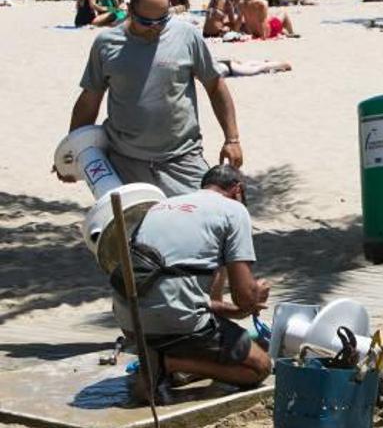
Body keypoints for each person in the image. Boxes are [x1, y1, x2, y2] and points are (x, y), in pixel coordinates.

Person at [57, 0, 244, 196]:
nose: (154, 28)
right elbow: (90, 99)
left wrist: (232, 139)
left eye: (161, 20)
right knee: (134, 229)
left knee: (201, 218)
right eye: (145, 22)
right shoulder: (106, 43)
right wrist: (71, 152)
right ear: (129, 10)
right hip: (125, 162)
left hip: (183, 159)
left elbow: (215, 85)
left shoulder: (187, 36)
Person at [112, 165, 272, 402]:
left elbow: (175, 284)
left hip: (129, 318)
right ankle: (170, 363)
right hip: (177, 320)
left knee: (196, 327)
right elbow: (245, 298)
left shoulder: (160, 206)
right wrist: (255, 295)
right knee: (259, 368)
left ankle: (158, 361)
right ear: (238, 190)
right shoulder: (234, 210)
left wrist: (236, 311)